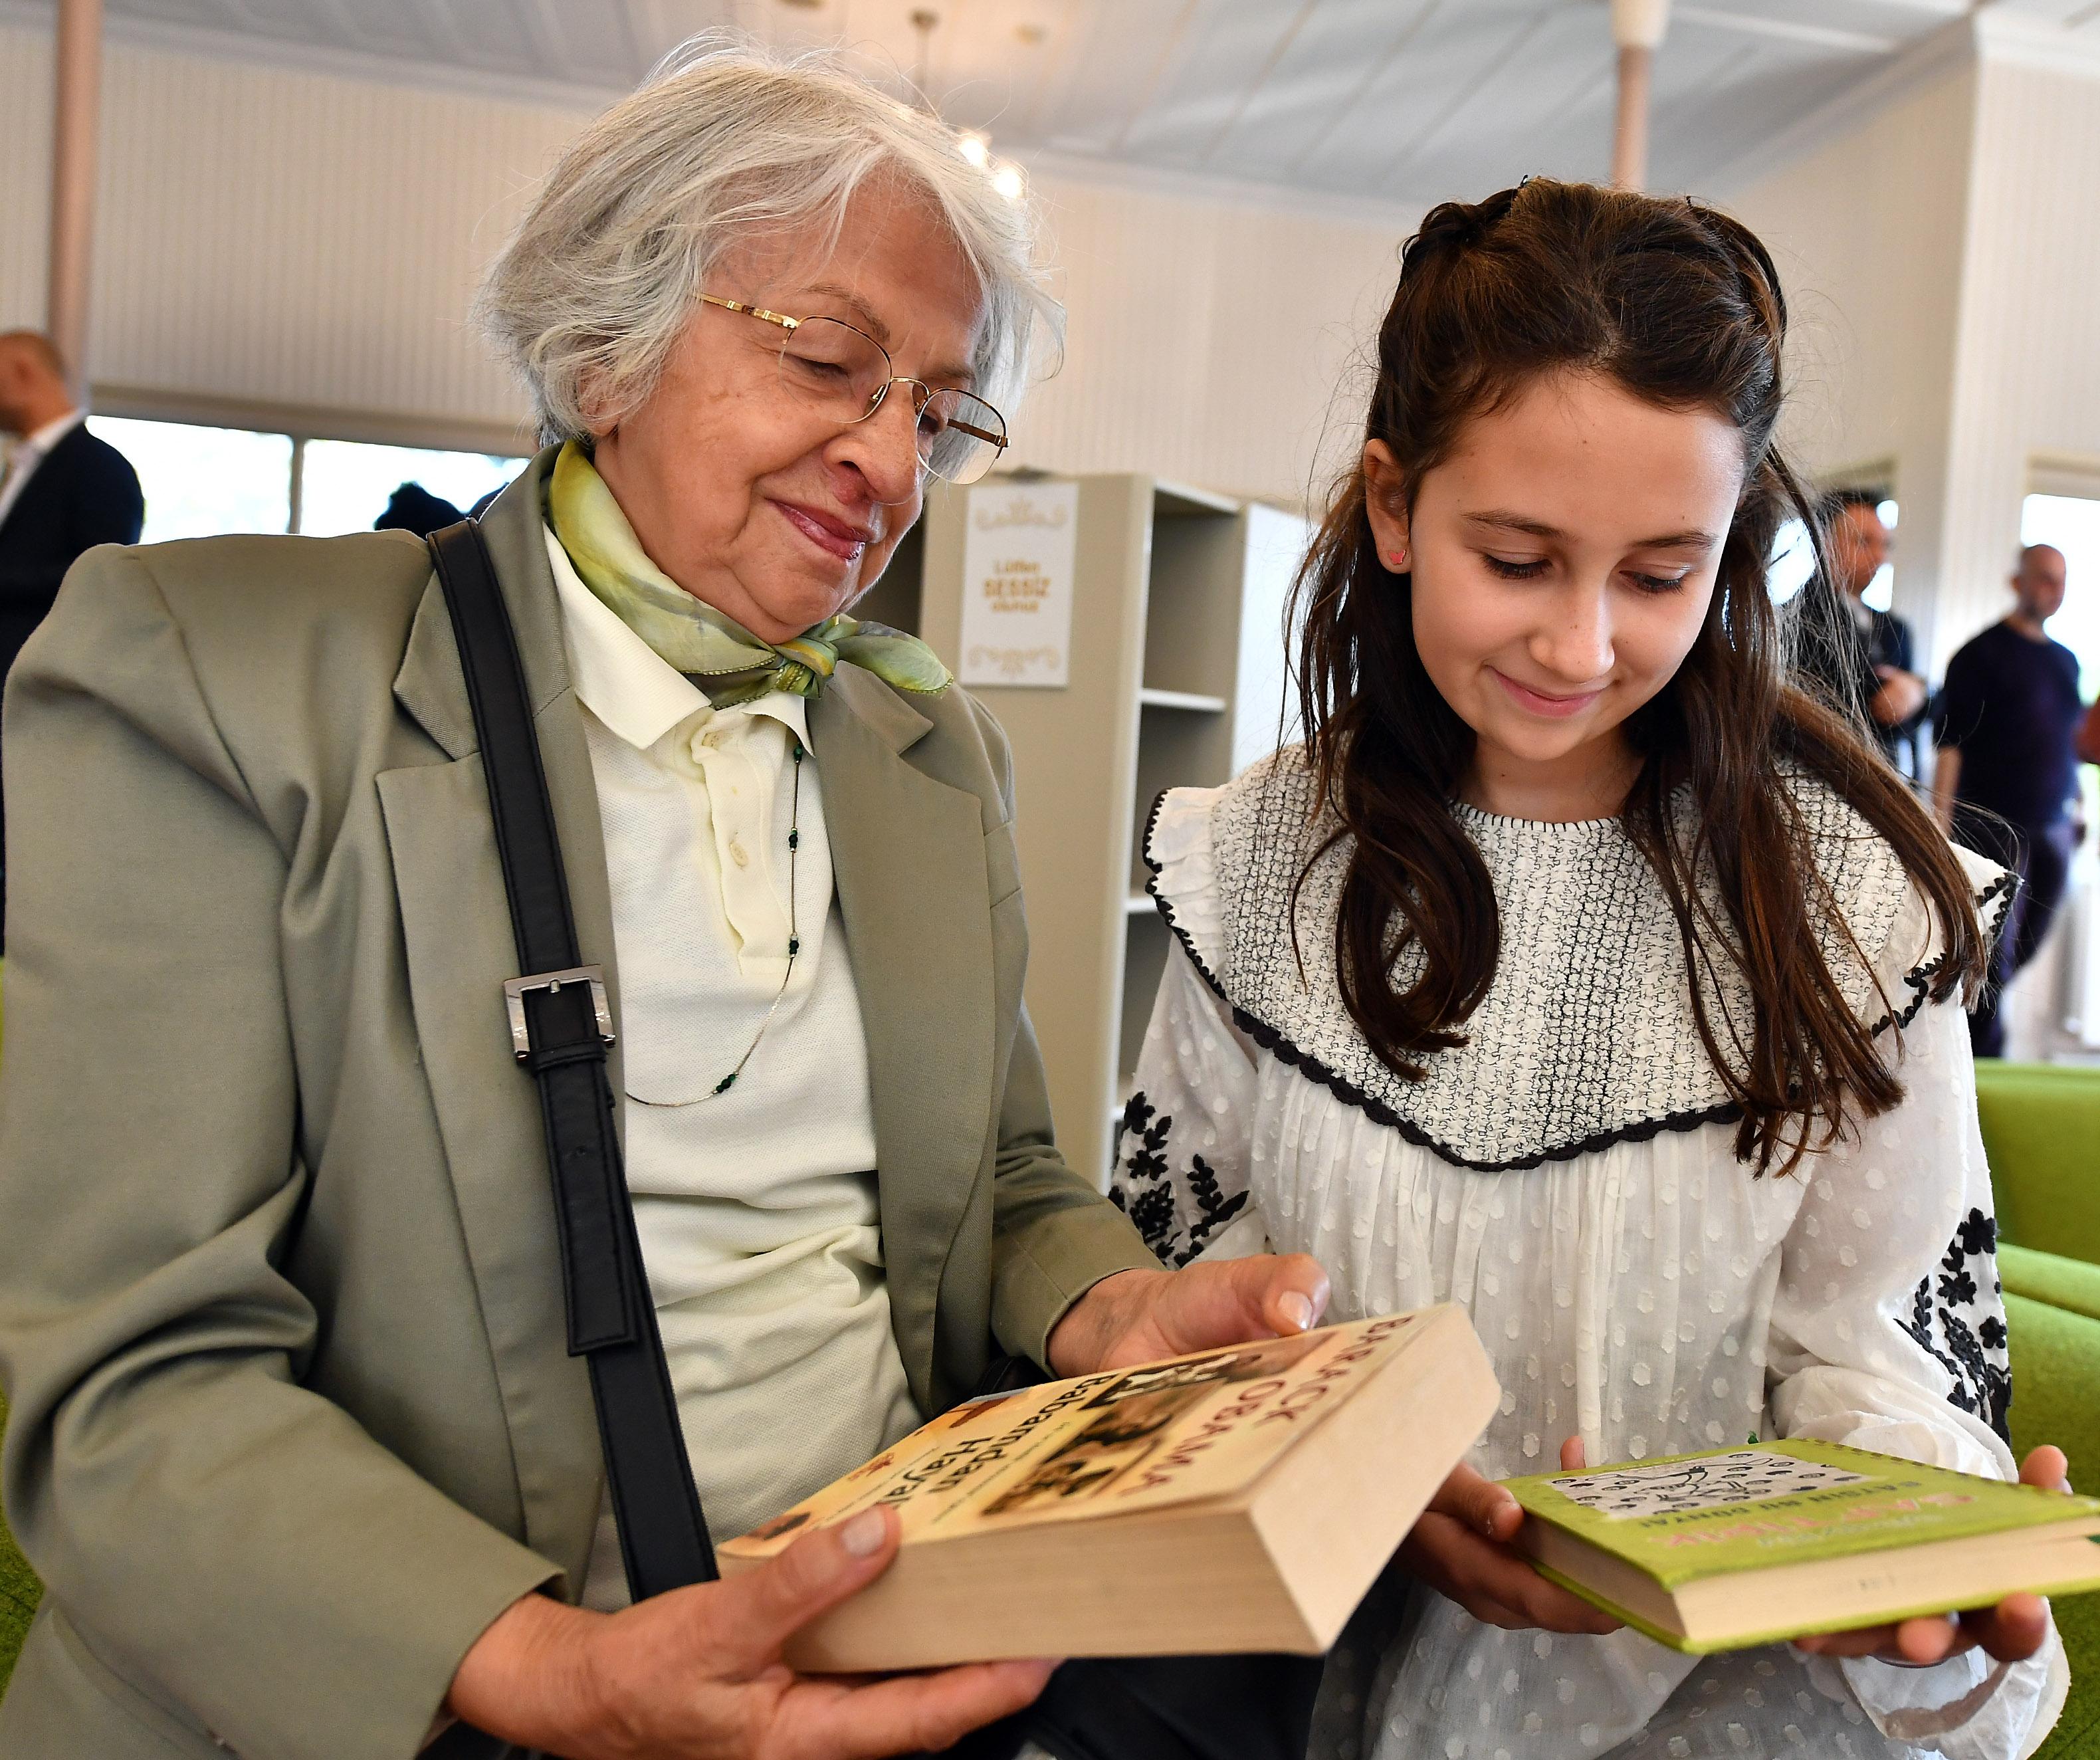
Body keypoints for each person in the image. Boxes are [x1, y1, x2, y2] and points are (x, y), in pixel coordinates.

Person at [0, 43, 1329, 1760]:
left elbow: (990, 1180)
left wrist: (1108, 1306)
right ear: (600, 343)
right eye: (835, 363)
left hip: (873, 1667)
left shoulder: (928, 745)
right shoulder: (221, 676)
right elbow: (132, 1387)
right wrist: (557, 1674)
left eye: (935, 415)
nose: (889, 464)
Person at [1114, 179, 2069, 1760]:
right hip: (1313, 1691)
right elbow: (1169, 1319)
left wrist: (1908, 1537)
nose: (1579, 645)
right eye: (1518, 558)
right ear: (1396, 508)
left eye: (1655, 575)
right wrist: (1362, 1481)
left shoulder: (1846, 908)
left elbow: (1875, 1353)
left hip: (1744, 1712)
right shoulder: (1251, 867)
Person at [0, 330, 144, 925]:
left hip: (36, 698)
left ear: (24, 373)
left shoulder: (101, 468)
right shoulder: (22, 467)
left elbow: (97, 579)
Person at [1932, 544, 2085, 1058]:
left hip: (2055, 827)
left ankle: (1978, 1039)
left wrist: (2078, 806)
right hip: (1994, 829)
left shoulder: (2066, 662)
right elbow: (1950, 748)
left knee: (2023, 949)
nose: (2053, 590)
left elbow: (2069, 741)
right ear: (2016, 581)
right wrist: (1940, 829)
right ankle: (1984, 1063)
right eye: (2043, 578)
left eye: (2060, 581)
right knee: (1990, 955)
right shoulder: (1979, 656)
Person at [1825, 489, 1929, 776]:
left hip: (1896, 782)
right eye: (1863, 542)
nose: (1879, 557)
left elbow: (1934, 706)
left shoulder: (1896, 628)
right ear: (1824, 543)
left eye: (1884, 545)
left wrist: (1917, 691)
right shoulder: (1793, 619)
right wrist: (1906, 691)